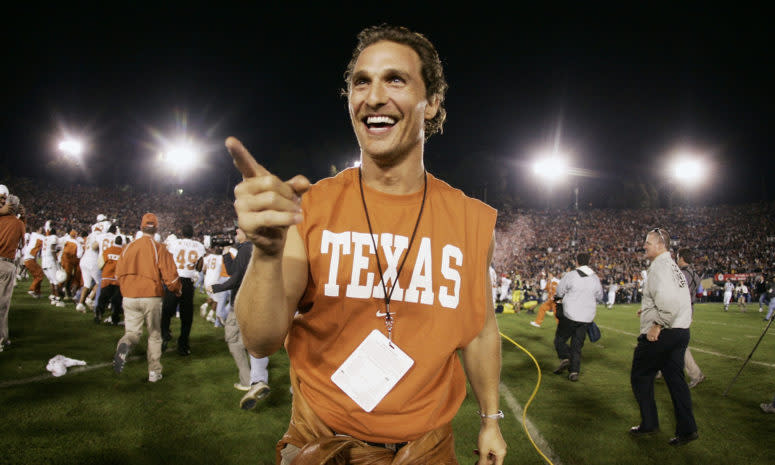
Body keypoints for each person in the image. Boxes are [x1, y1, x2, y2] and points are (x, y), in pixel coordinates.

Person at [228, 24, 507, 464]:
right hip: (324, 446)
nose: (373, 96)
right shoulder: (311, 207)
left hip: (427, 452)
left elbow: (480, 330)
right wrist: (265, 254)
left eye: (394, 79)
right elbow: (260, 340)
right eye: (361, 81)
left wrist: (490, 419)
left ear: (431, 102)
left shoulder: (472, 219)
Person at [629, 228, 698, 446]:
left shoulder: (659, 267)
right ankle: (687, 430)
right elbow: (676, 297)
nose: (644, 246)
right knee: (676, 380)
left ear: (660, 245)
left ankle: (649, 423)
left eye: (648, 243)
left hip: (665, 331)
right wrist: (649, 310)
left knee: (640, 375)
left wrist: (657, 324)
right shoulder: (673, 267)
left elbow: (669, 302)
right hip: (680, 331)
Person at [113, 213, 181, 383]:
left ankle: (126, 344)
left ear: (141, 227)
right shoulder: (159, 248)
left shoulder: (128, 247)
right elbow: (171, 277)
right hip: (151, 295)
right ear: (156, 228)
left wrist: (126, 289)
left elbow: (118, 273)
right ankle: (154, 371)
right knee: (155, 335)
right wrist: (177, 290)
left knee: (132, 333)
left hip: (129, 295)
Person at [209, 228, 271, 409]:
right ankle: (256, 378)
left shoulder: (246, 248)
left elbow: (236, 278)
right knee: (249, 339)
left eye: (238, 232)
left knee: (233, 339)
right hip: (257, 302)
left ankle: (249, 379)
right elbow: (233, 270)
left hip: (242, 302)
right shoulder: (256, 248)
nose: (235, 235)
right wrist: (227, 252)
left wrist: (217, 288)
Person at [552, 254, 603, 381]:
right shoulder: (595, 278)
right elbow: (600, 296)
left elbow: (559, 291)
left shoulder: (571, 275)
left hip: (570, 315)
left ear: (577, 262)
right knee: (577, 346)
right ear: (589, 262)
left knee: (559, 340)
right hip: (586, 317)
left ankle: (565, 357)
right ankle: (574, 372)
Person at [161, 223, 205, 356]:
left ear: (181, 233)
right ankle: (183, 346)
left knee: (166, 311)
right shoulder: (199, 246)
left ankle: (164, 335)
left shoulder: (175, 243)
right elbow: (199, 266)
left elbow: (167, 258)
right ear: (193, 234)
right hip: (187, 283)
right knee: (187, 317)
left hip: (174, 280)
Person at [0, 188, 26, 352]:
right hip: (5, 264)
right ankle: (1, 339)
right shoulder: (18, 223)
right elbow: (22, 244)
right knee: (2, 304)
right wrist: (22, 218)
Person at [676, 248, 705, 389]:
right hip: (689, 310)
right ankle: (661, 369)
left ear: (681, 258)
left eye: (677, 257)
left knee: (678, 343)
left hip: (679, 312)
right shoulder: (695, 274)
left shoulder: (681, 274)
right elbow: (700, 294)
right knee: (670, 341)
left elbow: (676, 294)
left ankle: (696, 374)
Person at [95, 235, 124, 325]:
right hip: (118, 279)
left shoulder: (108, 250)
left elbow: (100, 264)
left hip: (107, 277)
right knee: (117, 300)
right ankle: (115, 317)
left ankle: (98, 314)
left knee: (103, 298)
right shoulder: (124, 252)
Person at [22, 225, 45, 299]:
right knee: (40, 275)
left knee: (38, 275)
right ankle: (32, 290)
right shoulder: (38, 236)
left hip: (29, 258)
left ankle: (37, 292)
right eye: (41, 229)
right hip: (30, 259)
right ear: (37, 230)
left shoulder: (33, 235)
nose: (42, 231)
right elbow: (45, 239)